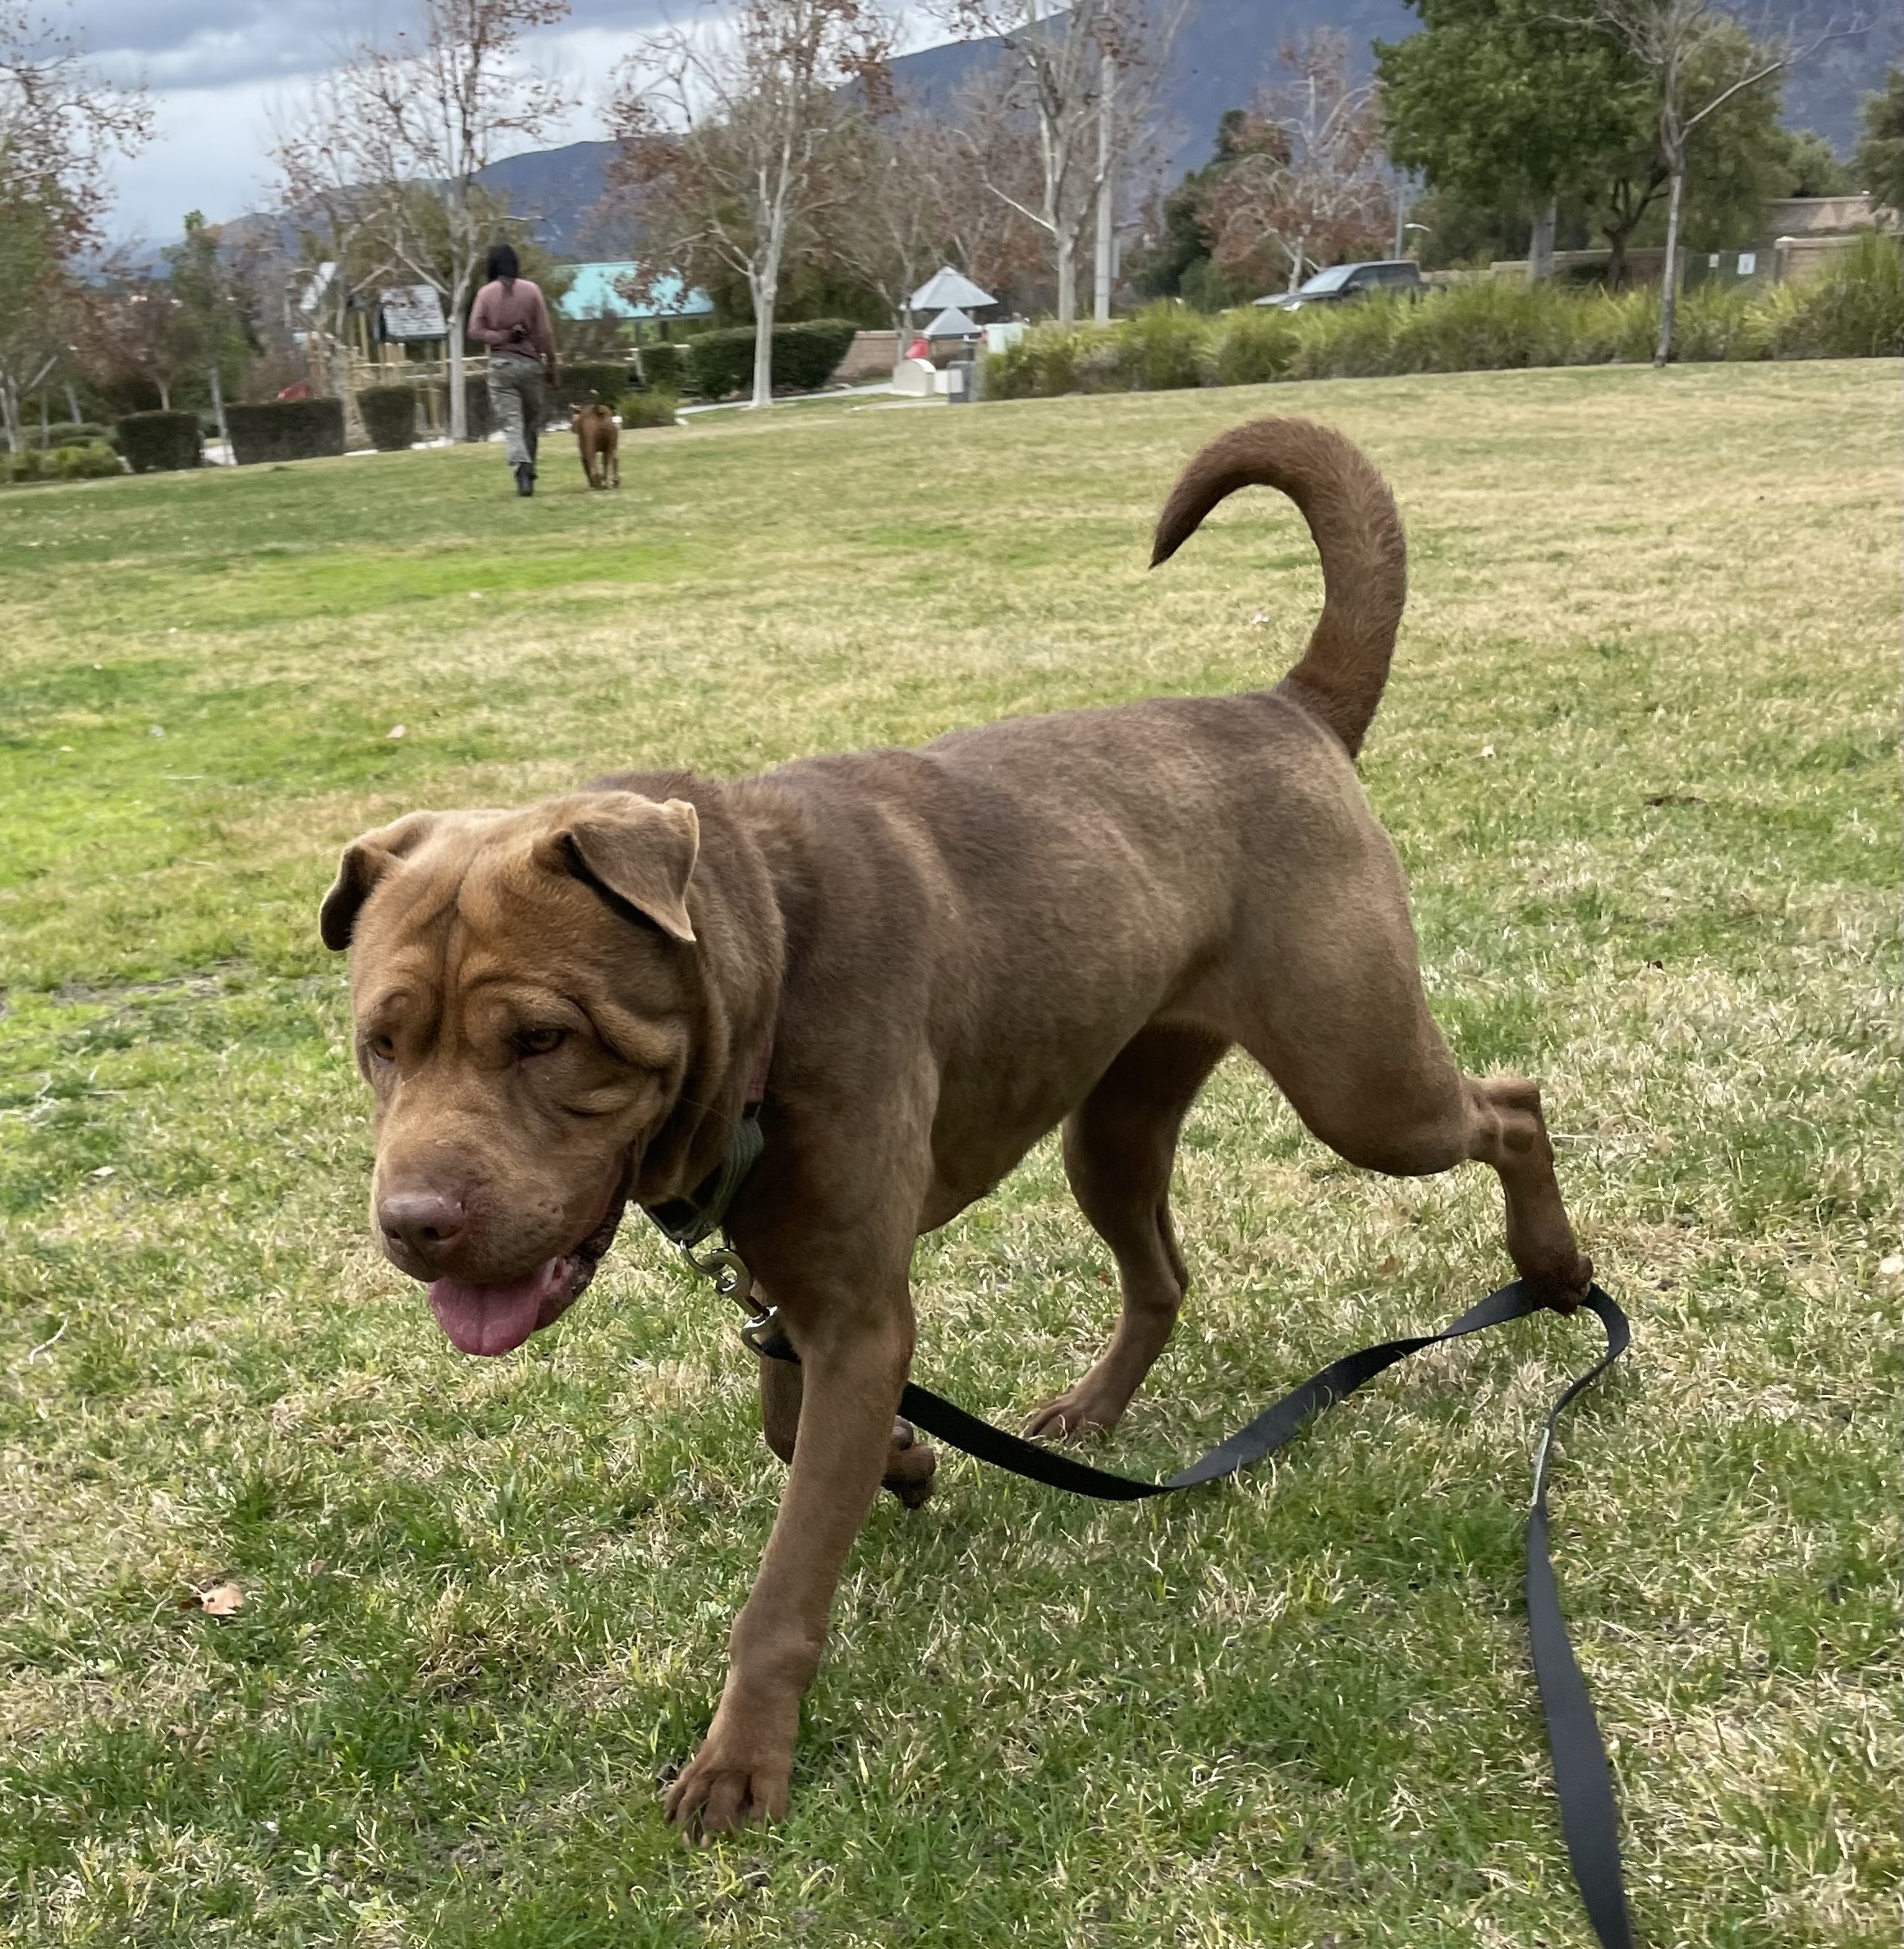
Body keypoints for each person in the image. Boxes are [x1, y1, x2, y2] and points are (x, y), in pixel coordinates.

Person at [467, 243, 557, 497]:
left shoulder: (485, 293)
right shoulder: (532, 290)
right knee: (530, 424)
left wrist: (500, 336)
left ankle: (522, 470)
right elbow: (544, 332)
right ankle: (528, 471)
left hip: (502, 366)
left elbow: (474, 331)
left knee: (512, 422)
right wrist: (551, 362)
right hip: (531, 366)